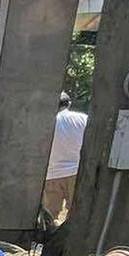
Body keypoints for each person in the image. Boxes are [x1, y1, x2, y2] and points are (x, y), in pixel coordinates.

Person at [43, 92, 87, 225]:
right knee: (76, 213)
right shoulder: (83, 119)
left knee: (49, 215)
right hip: (76, 172)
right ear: (69, 104)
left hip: (51, 174)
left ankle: (49, 236)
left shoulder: (46, 122)